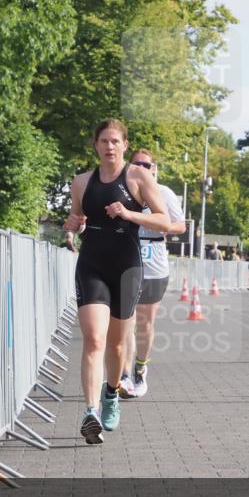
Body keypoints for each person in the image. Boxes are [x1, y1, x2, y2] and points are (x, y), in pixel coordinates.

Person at [64, 119, 171, 444]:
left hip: (127, 266)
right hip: (92, 264)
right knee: (94, 340)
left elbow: (164, 219)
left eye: (115, 141)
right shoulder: (82, 182)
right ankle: (91, 411)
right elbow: (78, 219)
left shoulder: (138, 177)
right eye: (104, 141)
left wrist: (129, 213)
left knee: (118, 345)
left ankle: (111, 393)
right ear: (95, 145)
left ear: (124, 145)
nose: (109, 146)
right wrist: (72, 227)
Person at [118, 149, 185, 399]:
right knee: (126, 321)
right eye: (138, 164)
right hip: (127, 261)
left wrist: (158, 224)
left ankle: (140, 369)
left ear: (154, 168)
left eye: (147, 165)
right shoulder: (123, 190)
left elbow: (180, 225)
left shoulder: (164, 193)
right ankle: (124, 374)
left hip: (155, 263)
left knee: (145, 324)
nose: (143, 168)